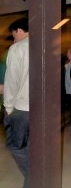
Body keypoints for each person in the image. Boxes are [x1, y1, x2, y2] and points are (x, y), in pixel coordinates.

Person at [3, 18, 29, 188]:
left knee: (16, 147)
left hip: (22, 109)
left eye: (14, 34)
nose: (14, 39)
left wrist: (8, 107)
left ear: (19, 30)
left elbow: (12, 81)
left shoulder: (17, 48)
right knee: (34, 146)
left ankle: (33, 178)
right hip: (43, 108)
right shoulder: (46, 45)